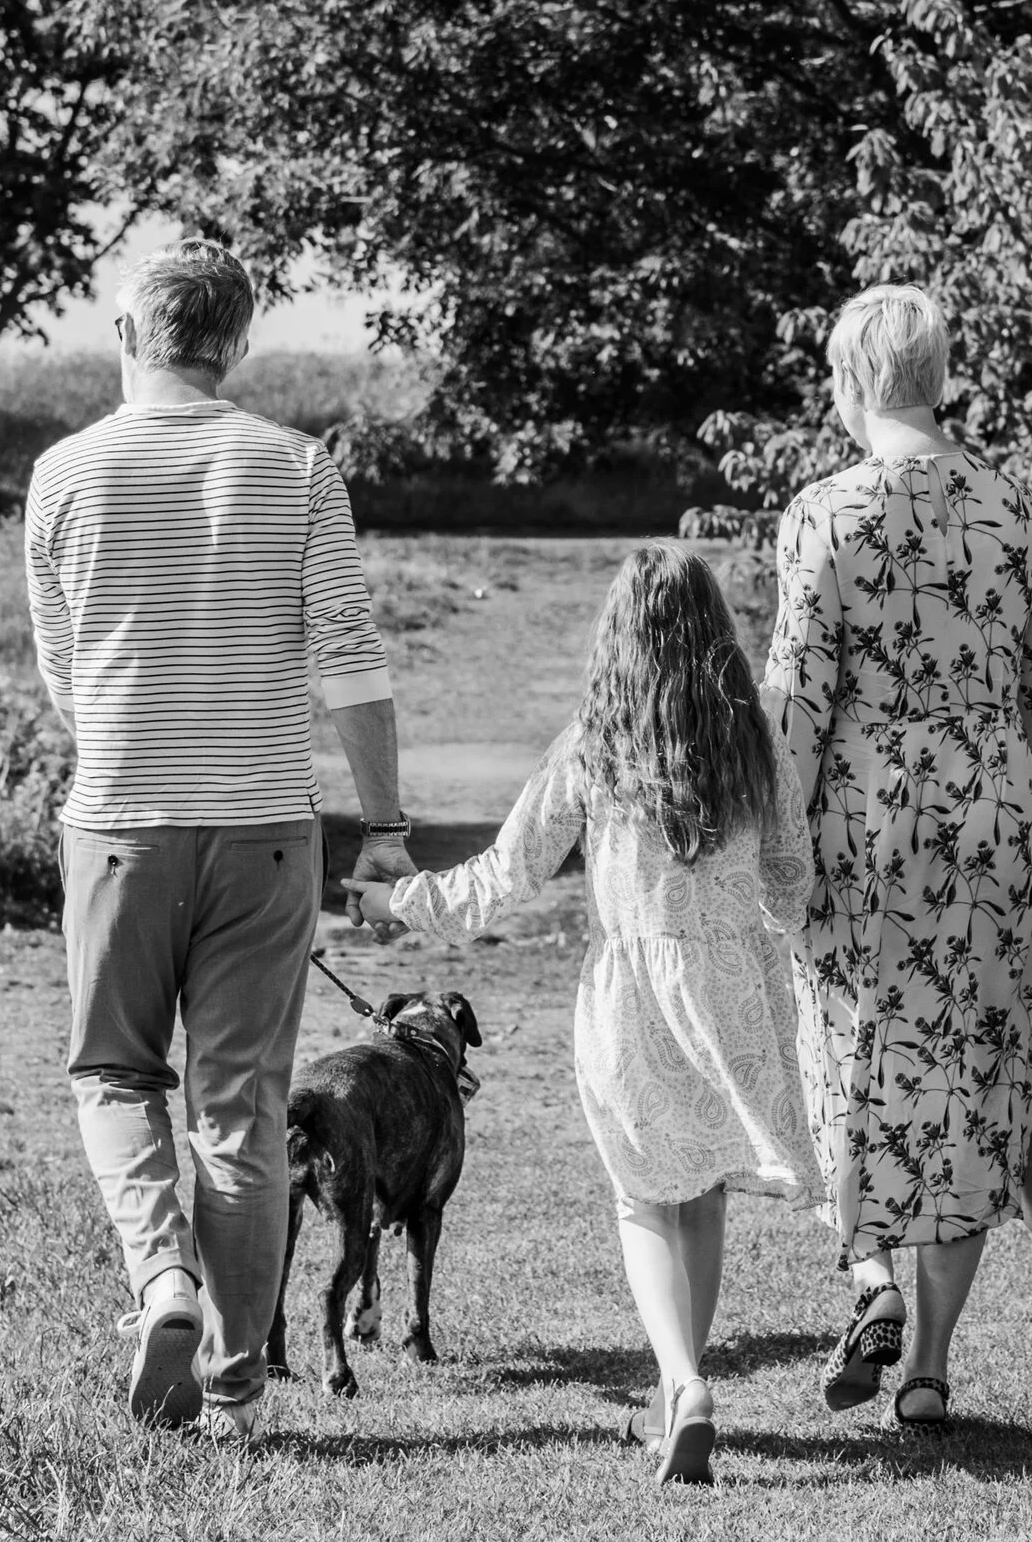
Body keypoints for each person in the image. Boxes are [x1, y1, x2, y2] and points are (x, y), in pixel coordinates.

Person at [23, 239, 417, 1443]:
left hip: (121, 826)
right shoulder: (298, 470)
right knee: (240, 1107)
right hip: (265, 831)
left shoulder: (64, 474)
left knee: (112, 1076)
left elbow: (64, 679)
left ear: (127, 337)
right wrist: (387, 829)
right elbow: (352, 669)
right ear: (236, 344)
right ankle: (239, 1384)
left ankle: (164, 1286)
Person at [346, 545, 816, 1488]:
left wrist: (394, 904)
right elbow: (792, 876)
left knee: (642, 1191)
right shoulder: (756, 733)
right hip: (727, 992)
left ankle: (681, 1381)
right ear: (718, 632)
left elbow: (504, 877)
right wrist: (754, 927)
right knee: (704, 1186)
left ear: (617, 640)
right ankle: (682, 1379)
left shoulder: (595, 742)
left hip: (629, 997)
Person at [763, 282, 1032, 1428]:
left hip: (862, 831)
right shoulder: (1017, 516)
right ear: (941, 377)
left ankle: (868, 1282)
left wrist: (774, 845)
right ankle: (930, 1369)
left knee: (845, 1061)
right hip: (995, 832)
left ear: (850, 381)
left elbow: (796, 702)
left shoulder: (823, 514)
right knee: (972, 1087)